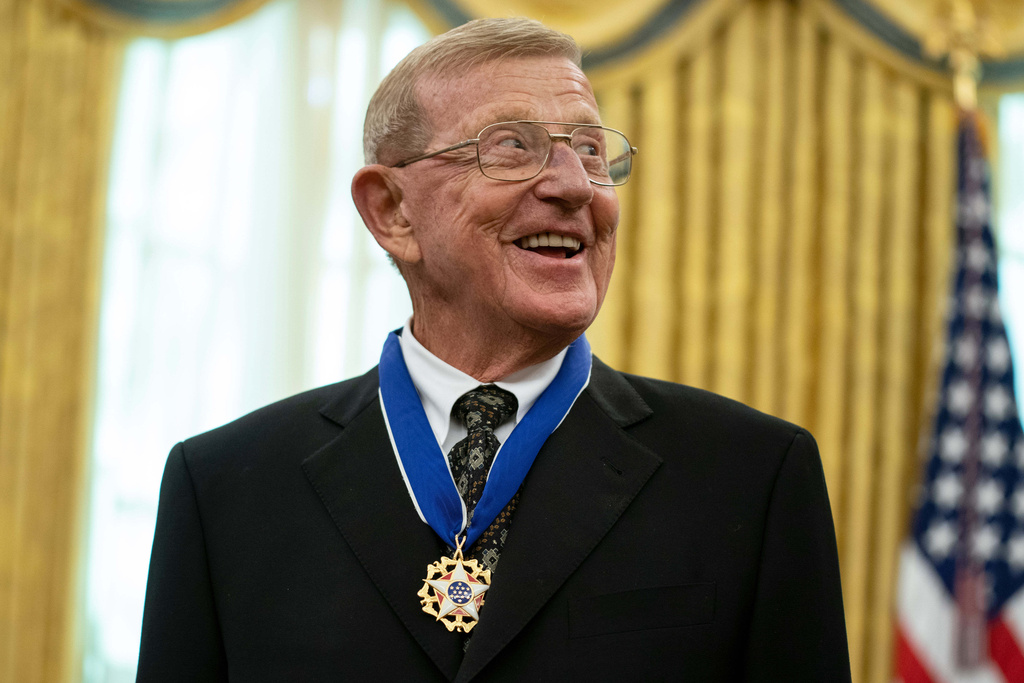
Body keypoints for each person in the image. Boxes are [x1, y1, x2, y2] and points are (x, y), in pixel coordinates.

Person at [137, 17, 850, 682]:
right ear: (392, 211)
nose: (575, 186)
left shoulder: (752, 478)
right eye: (513, 146)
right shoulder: (223, 488)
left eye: (593, 151)